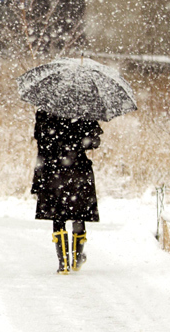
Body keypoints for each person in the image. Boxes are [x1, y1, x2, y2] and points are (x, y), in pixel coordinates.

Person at [31, 110, 102, 274]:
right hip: (79, 170)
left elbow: (40, 140)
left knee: (58, 215)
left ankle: (63, 264)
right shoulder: (85, 109)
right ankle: (76, 259)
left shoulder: (45, 111)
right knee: (79, 214)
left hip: (53, 170)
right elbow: (94, 142)